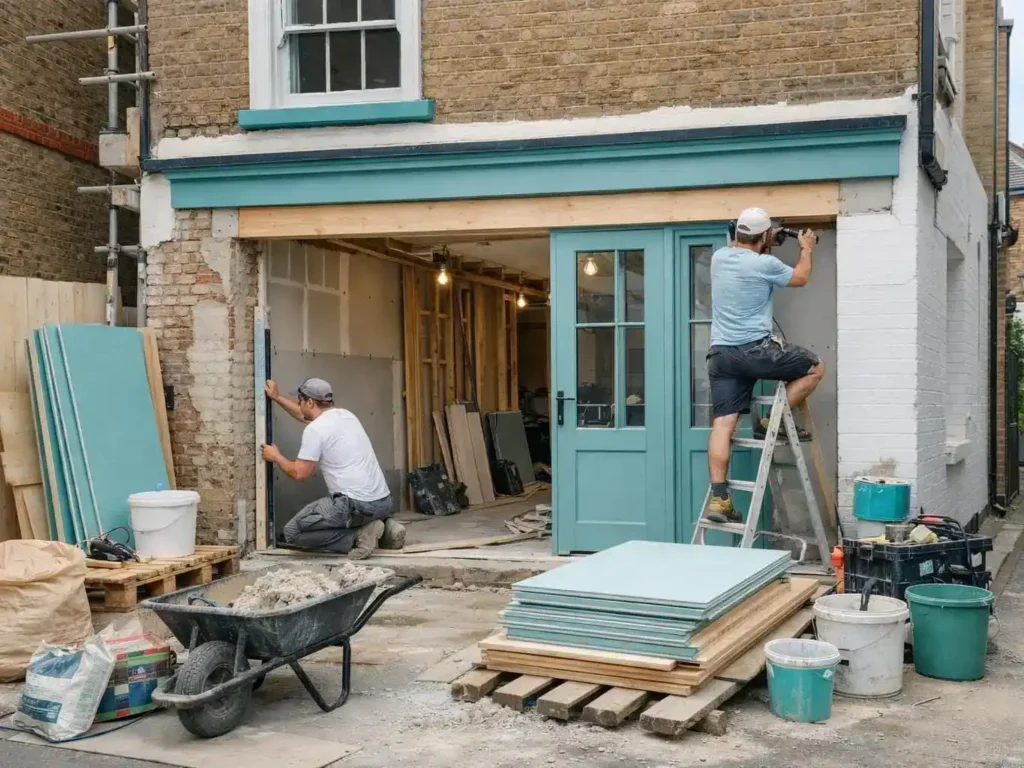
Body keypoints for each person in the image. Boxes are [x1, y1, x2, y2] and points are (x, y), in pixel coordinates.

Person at [705, 207, 825, 523]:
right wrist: (805, 248)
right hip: (755, 351)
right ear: (762, 237)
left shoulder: (719, 258)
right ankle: (770, 421)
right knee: (815, 367)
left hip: (721, 355)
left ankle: (719, 500)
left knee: (723, 425)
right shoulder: (765, 264)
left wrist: (763, 235)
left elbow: (742, 241)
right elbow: (800, 277)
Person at [261, 377, 406, 559]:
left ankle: (358, 537)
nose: (299, 404)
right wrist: (276, 397)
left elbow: (300, 473)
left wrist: (276, 457)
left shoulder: (315, 430)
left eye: (300, 400)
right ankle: (387, 528)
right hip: (383, 502)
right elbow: (303, 414)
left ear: (310, 402)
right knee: (347, 516)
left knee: (292, 532)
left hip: (354, 506)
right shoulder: (345, 415)